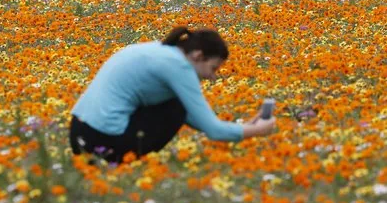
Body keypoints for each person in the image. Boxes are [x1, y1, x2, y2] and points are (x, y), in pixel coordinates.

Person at [69, 26, 276, 163]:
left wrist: (245, 127)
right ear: (198, 56)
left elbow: (200, 121)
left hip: (78, 133)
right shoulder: (179, 66)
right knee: (176, 105)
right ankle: (131, 163)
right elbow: (213, 130)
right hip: (104, 143)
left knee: (175, 103)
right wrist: (258, 131)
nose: (213, 77)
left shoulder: (156, 50)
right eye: (213, 68)